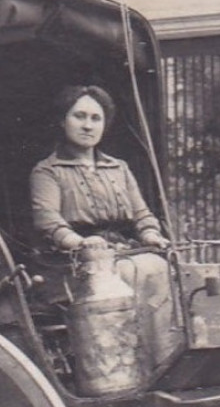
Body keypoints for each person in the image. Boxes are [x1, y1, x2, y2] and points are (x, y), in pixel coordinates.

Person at [30, 84, 181, 377]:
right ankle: (132, 369)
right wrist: (80, 242)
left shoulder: (119, 168)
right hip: (69, 262)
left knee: (168, 267)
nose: (88, 125)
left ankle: (167, 361)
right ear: (63, 121)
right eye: (79, 116)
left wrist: (150, 233)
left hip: (122, 249)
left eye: (95, 118)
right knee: (135, 272)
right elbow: (48, 221)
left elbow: (141, 214)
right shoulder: (47, 171)